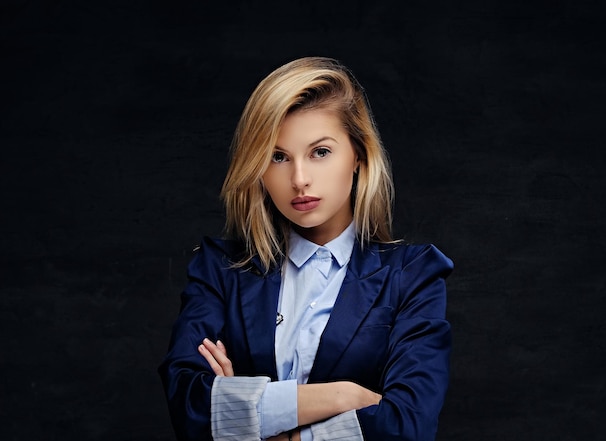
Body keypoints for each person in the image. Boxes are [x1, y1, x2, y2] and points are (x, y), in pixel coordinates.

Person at [158, 56, 453, 441]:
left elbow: (407, 426)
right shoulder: (220, 269)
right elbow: (190, 407)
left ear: (358, 157)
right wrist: (341, 396)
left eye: (320, 152)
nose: (299, 179)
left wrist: (251, 417)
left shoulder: (413, 275)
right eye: (278, 157)